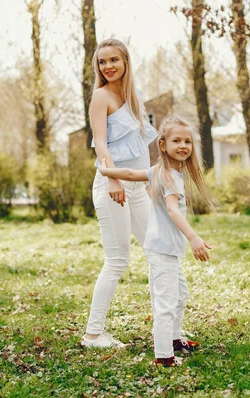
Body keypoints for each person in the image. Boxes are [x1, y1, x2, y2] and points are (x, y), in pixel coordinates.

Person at [98, 115, 217, 367]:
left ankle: (174, 338)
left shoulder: (163, 172)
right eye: (176, 140)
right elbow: (173, 210)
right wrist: (194, 238)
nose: (183, 145)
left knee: (180, 295)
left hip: (165, 248)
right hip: (163, 249)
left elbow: (131, 173)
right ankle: (164, 356)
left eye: (187, 141)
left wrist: (106, 169)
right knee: (166, 302)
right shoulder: (168, 175)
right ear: (162, 144)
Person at [80, 38, 158, 349]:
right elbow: (101, 143)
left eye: (114, 60)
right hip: (112, 186)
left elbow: (141, 145)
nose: (108, 66)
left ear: (125, 62)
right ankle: (93, 334)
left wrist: (149, 182)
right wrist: (111, 178)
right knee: (117, 260)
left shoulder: (133, 96)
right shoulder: (100, 97)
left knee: (158, 251)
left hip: (138, 186)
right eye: (102, 62)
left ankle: (168, 326)